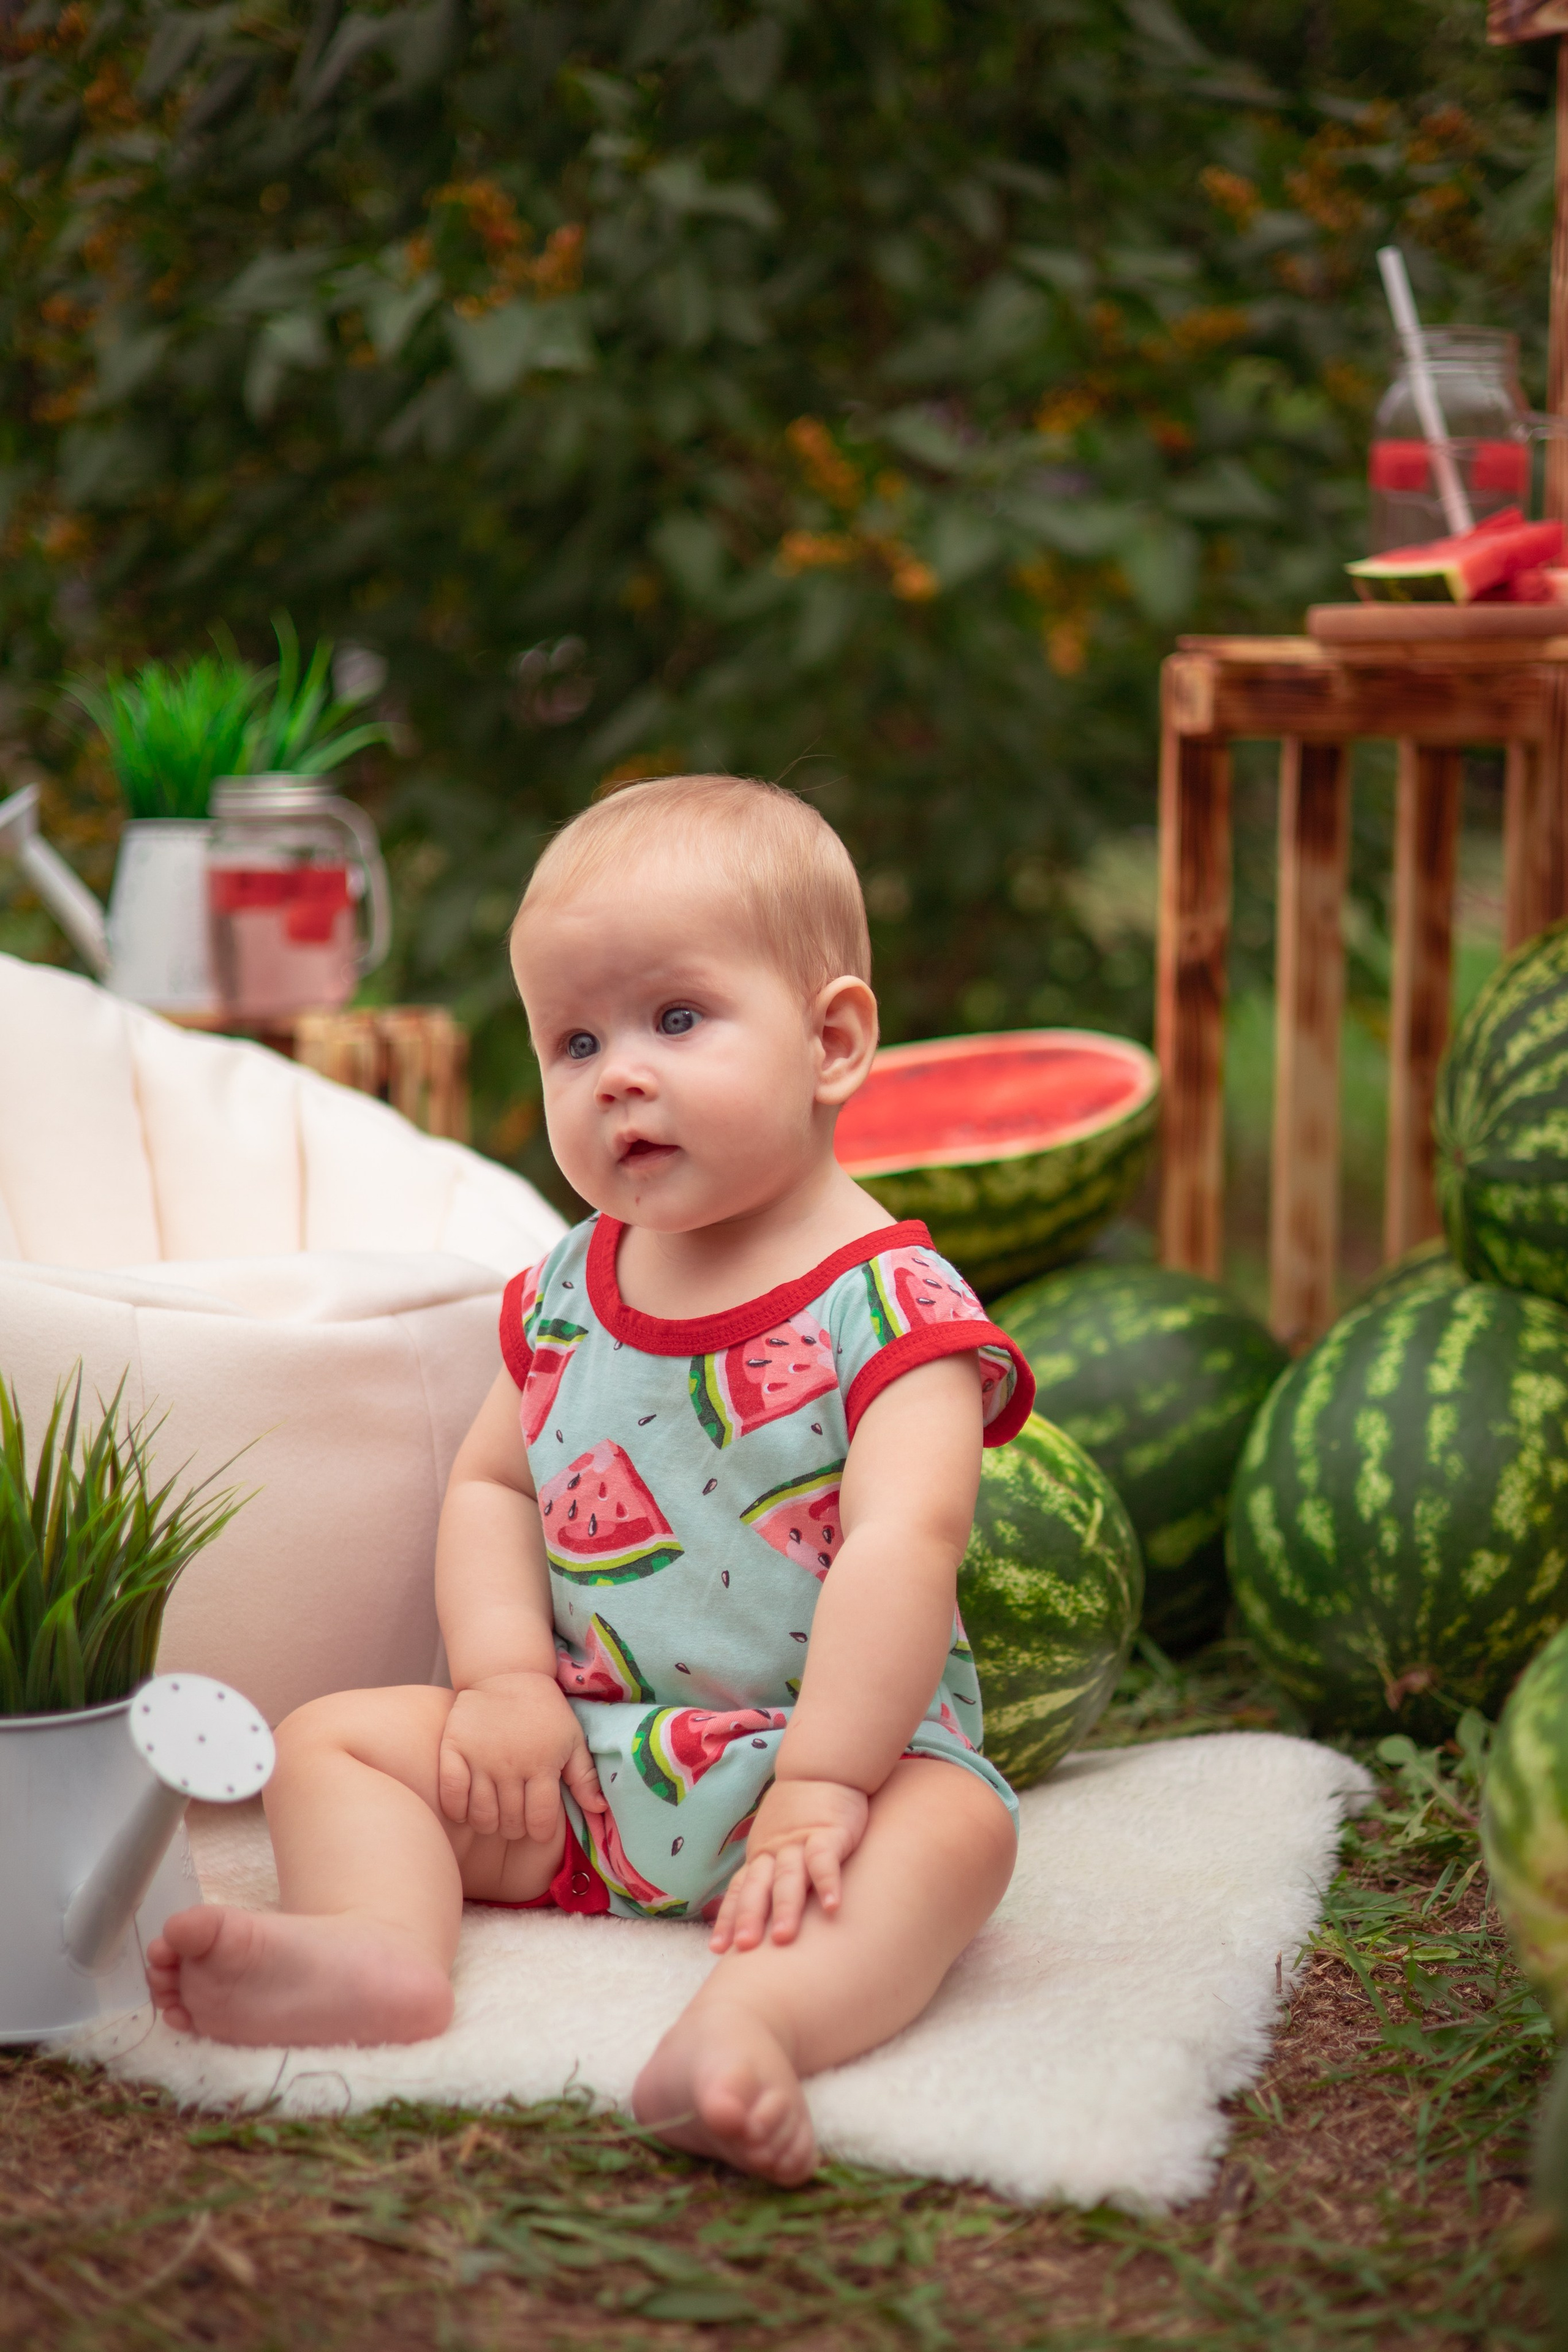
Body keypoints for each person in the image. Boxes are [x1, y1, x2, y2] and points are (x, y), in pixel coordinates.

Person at [146, 773, 1035, 2184]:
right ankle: (379, 1953)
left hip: (831, 1780)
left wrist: (819, 1786)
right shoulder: (567, 1287)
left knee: (964, 1836)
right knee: (333, 1742)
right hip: (581, 1767)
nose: (617, 1071)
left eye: (675, 1020)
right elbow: (496, 1490)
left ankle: (746, 2026)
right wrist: (502, 1686)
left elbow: (899, 1551)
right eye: (573, 1040)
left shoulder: (894, 1307)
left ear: (832, 1040)